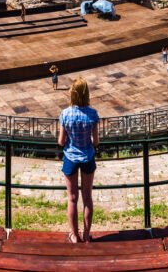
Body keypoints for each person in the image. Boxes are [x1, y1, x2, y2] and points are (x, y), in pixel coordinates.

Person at [58, 77, 99, 244]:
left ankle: (74, 236)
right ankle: (87, 235)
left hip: (70, 158)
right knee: (87, 198)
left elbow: (61, 141)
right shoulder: (93, 114)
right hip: (88, 157)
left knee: (72, 198)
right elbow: (95, 141)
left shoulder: (65, 114)